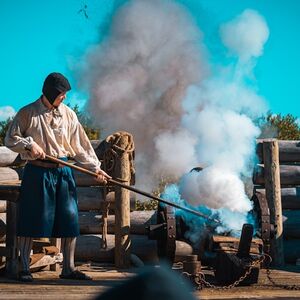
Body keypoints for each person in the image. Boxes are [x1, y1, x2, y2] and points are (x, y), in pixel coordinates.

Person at [5, 72, 110, 282]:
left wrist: (96, 168)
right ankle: (24, 268)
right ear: (51, 93)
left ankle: (68, 269)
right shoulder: (28, 113)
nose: (64, 98)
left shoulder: (69, 115)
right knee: (32, 219)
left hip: (63, 172)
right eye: (61, 94)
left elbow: (80, 146)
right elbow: (10, 138)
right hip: (37, 172)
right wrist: (29, 144)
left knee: (69, 219)